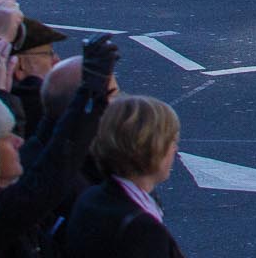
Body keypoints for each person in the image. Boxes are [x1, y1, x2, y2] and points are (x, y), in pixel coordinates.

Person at [58, 95, 184, 258]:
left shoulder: (91, 197)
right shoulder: (143, 230)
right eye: (172, 141)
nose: (175, 149)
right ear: (152, 147)